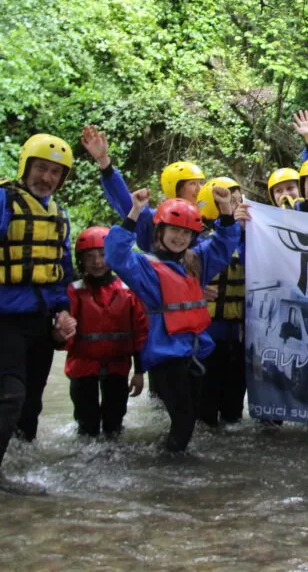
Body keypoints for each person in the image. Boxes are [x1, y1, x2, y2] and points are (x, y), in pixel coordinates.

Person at [105, 187, 244, 452]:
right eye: (174, 230)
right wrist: (134, 211)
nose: (180, 237)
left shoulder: (196, 262)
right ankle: (170, 470)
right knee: (184, 418)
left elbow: (224, 245)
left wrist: (226, 208)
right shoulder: (145, 266)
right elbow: (115, 255)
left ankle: (168, 461)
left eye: (186, 232)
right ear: (160, 231)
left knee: (190, 417)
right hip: (165, 356)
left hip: (192, 352)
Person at [0, 134, 78, 494]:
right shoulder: (4, 200)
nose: (47, 178)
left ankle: (19, 466)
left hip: (41, 321)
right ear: (26, 166)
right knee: (10, 394)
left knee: (30, 403)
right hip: (5, 319)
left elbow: (62, 270)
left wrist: (63, 312)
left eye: (55, 173)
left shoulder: (58, 214)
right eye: (41, 168)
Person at [65, 226, 148, 438]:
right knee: (87, 427)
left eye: (102, 255)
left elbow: (139, 332)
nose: (97, 262)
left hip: (117, 367)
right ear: (81, 260)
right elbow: (63, 336)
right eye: (90, 257)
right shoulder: (73, 291)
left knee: (114, 426)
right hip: (83, 367)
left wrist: (139, 372)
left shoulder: (128, 291)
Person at [81, 124, 206, 252]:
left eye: (201, 183)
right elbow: (123, 198)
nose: (200, 188)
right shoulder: (154, 220)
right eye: (193, 184)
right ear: (176, 189)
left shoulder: (207, 218)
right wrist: (104, 160)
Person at [195, 177, 247, 427]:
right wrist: (193, 287)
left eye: (239, 201)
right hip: (206, 336)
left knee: (233, 414)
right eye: (229, 201)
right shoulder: (198, 240)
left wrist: (244, 233)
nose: (236, 206)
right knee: (204, 413)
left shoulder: (252, 240)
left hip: (237, 337)